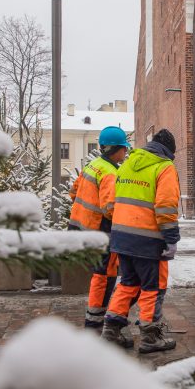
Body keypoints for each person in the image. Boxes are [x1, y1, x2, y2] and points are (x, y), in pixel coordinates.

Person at [102, 129, 180, 353]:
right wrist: (171, 238)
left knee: (127, 284)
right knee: (151, 288)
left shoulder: (127, 164)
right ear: (169, 151)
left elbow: (112, 202)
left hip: (121, 237)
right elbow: (166, 208)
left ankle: (111, 330)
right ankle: (150, 336)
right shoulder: (164, 167)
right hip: (148, 239)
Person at [67, 126, 130, 336]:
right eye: (124, 149)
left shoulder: (93, 165)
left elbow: (73, 192)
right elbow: (110, 208)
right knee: (104, 277)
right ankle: (94, 324)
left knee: (99, 275)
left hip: (81, 229)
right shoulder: (111, 172)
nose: (126, 153)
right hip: (101, 233)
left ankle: (94, 321)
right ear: (115, 149)